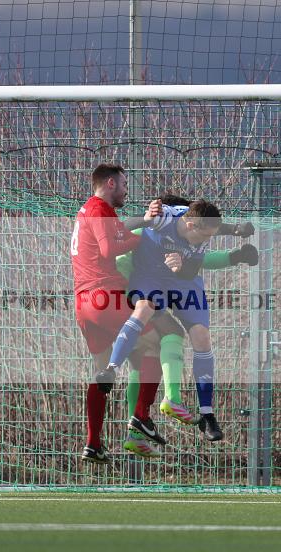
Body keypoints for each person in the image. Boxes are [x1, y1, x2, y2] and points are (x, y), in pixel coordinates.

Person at [71, 164, 182, 463]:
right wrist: (143, 237)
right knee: (157, 343)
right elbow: (109, 249)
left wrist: (144, 223)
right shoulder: (100, 210)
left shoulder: (89, 210)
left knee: (102, 370)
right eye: (123, 184)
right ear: (110, 183)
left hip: (84, 303)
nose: (126, 189)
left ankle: (93, 443)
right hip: (104, 296)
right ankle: (141, 416)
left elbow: (118, 231)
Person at [96, 200, 228, 441]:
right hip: (149, 275)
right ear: (189, 224)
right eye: (205, 236)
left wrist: (181, 267)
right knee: (144, 308)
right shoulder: (165, 218)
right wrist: (146, 219)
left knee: (202, 336)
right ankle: (111, 370)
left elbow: (191, 271)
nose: (207, 241)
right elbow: (125, 226)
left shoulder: (200, 239)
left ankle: (207, 414)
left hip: (182, 281)